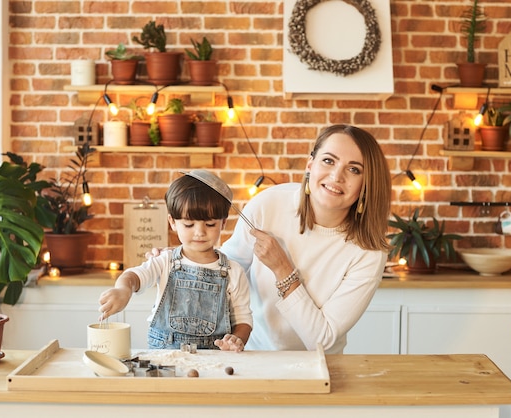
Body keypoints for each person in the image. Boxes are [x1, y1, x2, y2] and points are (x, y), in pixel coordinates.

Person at [220, 124, 391, 354]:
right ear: (310, 165)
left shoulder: (368, 251)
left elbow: (323, 340)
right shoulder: (268, 205)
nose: (336, 176)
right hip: (252, 357)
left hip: (320, 367)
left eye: (354, 170)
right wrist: (176, 258)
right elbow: (222, 272)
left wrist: (283, 270)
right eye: (329, 161)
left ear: (366, 185)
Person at [98, 170, 252, 352]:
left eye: (210, 224)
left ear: (223, 223)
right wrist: (123, 289)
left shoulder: (233, 271)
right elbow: (134, 276)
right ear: (172, 222)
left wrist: (236, 340)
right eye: (189, 224)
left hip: (215, 360)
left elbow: (243, 320)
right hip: (164, 358)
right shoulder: (165, 261)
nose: (199, 232)